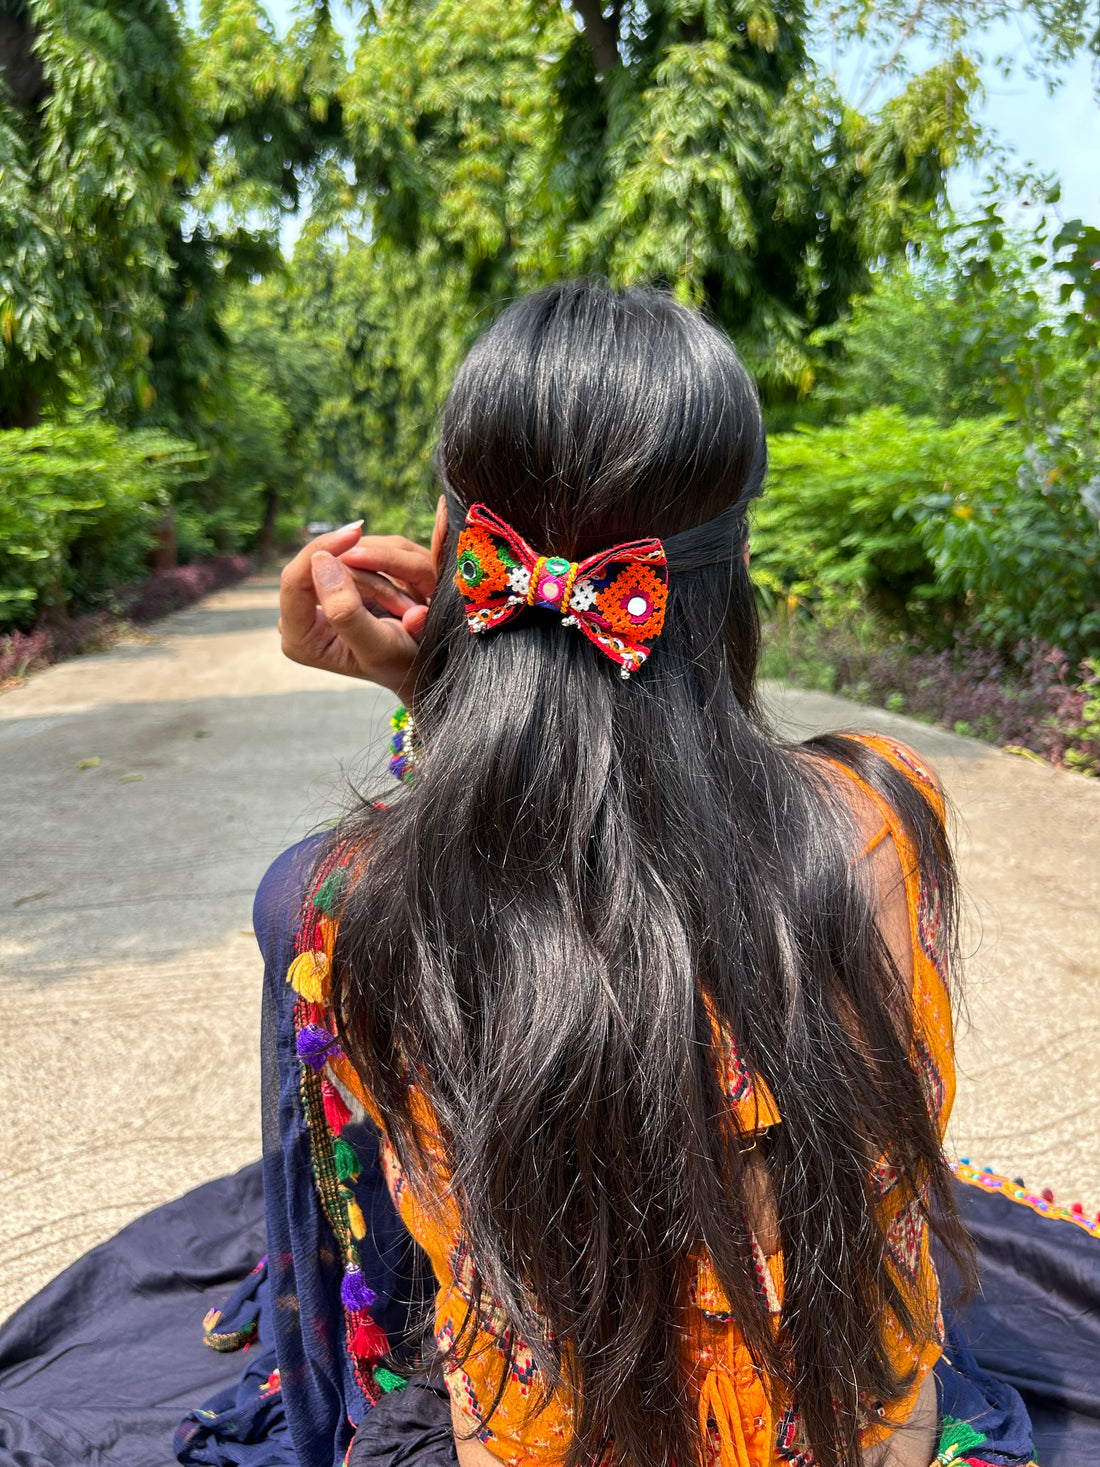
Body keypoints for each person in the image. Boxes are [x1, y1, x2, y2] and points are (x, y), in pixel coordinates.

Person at [262, 280, 1039, 1467]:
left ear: (453, 544)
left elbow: (543, 873)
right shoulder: (880, 810)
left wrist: (441, 697)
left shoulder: (350, 904)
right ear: (726, 573)